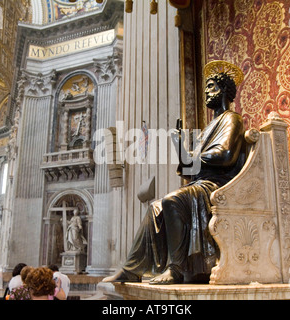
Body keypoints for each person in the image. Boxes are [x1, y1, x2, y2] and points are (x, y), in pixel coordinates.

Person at [103, 61, 246, 285]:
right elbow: (190, 172)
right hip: (199, 185)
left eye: (213, 87)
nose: (208, 92)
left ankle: (176, 269)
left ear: (225, 91)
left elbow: (225, 155)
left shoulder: (231, 119)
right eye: (206, 87)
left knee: (172, 200)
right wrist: (179, 146)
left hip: (219, 185)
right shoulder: (208, 127)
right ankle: (132, 268)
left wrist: (190, 156)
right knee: (155, 207)